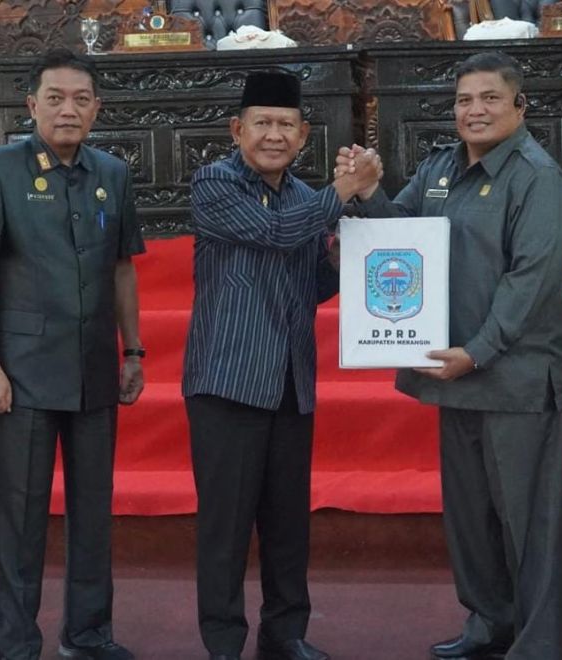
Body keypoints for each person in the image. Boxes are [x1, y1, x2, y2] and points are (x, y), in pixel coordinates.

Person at [337, 51, 562, 659]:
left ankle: (536, 644)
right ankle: (488, 623)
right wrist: (366, 194)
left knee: (529, 523)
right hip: (456, 373)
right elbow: (397, 234)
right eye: (465, 100)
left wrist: (478, 350)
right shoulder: (439, 167)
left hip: (518, 380)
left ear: (520, 105)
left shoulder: (539, 179)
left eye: (490, 98)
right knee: (470, 517)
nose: (475, 110)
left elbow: (531, 283)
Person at [183, 70, 380, 660]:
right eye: (263, 123)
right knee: (226, 525)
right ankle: (223, 642)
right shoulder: (214, 182)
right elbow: (275, 232)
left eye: (286, 125)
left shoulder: (303, 196)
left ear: (303, 135)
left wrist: (342, 260)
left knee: (289, 522)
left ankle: (285, 633)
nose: (274, 135)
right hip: (228, 381)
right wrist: (342, 191)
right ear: (237, 129)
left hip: (292, 381)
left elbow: (310, 284)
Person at [0, 48, 144, 660]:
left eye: (81, 99)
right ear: (31, 104)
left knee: (93, 514)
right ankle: (17, 644)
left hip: (94, 368)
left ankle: (88, 634)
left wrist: (133, 350)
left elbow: (122, 268)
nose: (69, 110)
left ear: (96, 108)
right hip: (24, 373)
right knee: (20, 519)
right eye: (56, 98)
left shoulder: (112, 172)